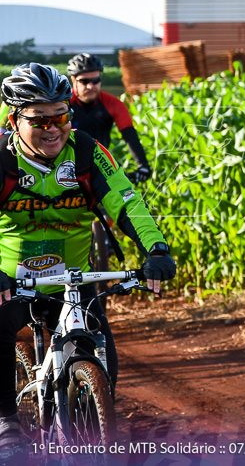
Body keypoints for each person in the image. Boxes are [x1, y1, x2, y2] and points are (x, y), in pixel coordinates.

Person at [0, 63, 176, 453]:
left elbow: (126, 200)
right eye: (39, 121)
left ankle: (89, 418)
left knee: (104, 354)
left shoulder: (86, 152)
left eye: (60, 116)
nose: (52, 129)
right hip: (11, 280)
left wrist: (156, 248)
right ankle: (6, 421)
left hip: (72, 280)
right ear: (14, 120)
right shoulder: (1, 158)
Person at [66, 53, 152, 184]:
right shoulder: (64, 104)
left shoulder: (113, 104)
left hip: (100, 164)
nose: (90, 86)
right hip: (67, 165)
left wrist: (143, 165)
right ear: (73, 80)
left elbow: (130, 136)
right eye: (84, 81)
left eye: (95, 81)